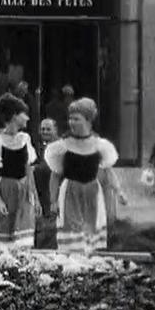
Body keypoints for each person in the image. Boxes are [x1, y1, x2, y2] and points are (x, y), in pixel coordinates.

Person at [45, 98, 118, 254]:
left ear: (88, 120)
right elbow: (55, 175)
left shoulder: (99, 145)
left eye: (76, 119)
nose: (71, 122)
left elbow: (108, 171)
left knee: (90, 240)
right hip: (70, 192)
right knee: (73, 240)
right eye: (70, 118)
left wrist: (118, 193)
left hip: (92, 193)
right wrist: (53, 201)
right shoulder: (62, 146)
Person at [0, 93, 41, 247]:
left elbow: (28, 170)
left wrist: (35, 197)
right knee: (2, 236)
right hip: (4, 189)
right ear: (14, 116)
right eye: (24, 114)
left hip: (22, 190)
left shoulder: (24, 139)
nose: (27, 118)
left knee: (23, 237)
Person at [33, 118, 59, 249]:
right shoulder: (39, 149)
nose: (45, 131)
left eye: (48, 129)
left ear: (55, 130)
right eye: (42, 129)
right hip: (41, 200)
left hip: (54, 201)